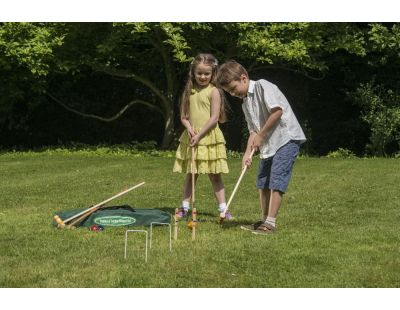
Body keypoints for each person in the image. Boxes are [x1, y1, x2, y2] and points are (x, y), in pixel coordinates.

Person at [216, 60, 306, 234]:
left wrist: (262, 135)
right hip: (269, 144)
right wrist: (247, 154)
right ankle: (264, 220)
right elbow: (253, 132)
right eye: (229, 92)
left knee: (277, 179)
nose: (233, 94)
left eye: (233, 89)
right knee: (262, 181)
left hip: (286, 139)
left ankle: (271, 223)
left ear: (243, 78)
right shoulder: (245, 103)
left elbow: (277, 111)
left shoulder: (263, 86)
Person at [173, 53, 231, 219]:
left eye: (207, 73)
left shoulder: (214, 92)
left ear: (213, 73)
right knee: (191, 174)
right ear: (193, 72)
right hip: (192, 137)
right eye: (199, 73)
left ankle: (223, 209)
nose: (203, 76)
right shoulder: (188, 91)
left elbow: (214, 118)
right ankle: (184, 208)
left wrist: (200, 135)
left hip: (209, 137)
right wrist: (189, 128)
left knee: (215, 175)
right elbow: (183, 116)